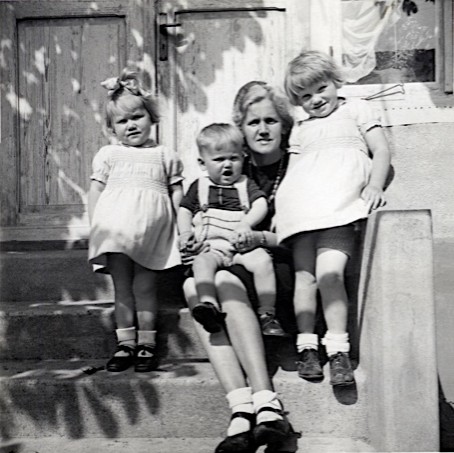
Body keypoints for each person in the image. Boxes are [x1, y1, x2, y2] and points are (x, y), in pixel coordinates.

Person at [182, 81, 297, 453]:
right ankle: (242, 408)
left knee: (227, 283)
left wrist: (260, 238)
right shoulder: (224, 170)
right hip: (225, 259)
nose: (262, 129)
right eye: (253, 122)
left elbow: (296, 239)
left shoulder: (298, 167)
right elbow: (191, 211)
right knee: (191, 287)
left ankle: (266, 401)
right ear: (241, 131)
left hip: (275, 271)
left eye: (271, 120)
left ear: (285, 124)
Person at [275, 50, 392, 386]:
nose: (315, 100)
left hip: (339, 208)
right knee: (305, 280)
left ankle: (338, 349)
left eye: (320, 88)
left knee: (330, 275)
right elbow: (294, 171)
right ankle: (307, 346)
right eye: (304, 96)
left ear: (335, 82)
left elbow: (381, 150)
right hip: (302, 210)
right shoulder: (301, 128)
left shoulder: (356, 109)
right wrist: (282, 209)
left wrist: (374, 184)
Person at [88, 68, 183, 373]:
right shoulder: (109, 155)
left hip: (151, 234)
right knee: (123, 289)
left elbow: (177, 192)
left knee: (144, 288)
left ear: (151, 117)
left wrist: (181, 228)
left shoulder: (164, 155)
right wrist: (95, 228)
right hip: (115, 232)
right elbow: (96, 191)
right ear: (112, 128)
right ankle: (125, 343)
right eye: (122, 121)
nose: (130, 125)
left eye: (137, 117)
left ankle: (147, 344)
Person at [178, 123, 286, 337]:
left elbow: (260, 204)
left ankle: (267, 314)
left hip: (240, 247)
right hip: (212, 247)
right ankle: (209, 305)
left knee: (263, 261)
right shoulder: (198, 187)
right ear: (202, 163)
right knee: (202, 263)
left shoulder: (246, 184)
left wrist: (246, 224)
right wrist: (184, 234)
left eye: (233, 158)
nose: (227, 165)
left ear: (243, 157)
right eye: (218, 160)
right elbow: (184, 210)